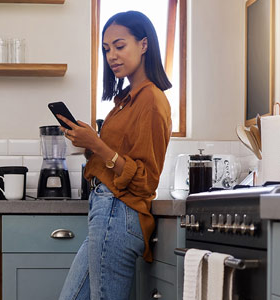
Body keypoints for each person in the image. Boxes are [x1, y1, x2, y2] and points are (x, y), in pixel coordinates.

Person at [56, 10, 172, 300]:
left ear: (143, 45)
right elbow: (116, 159)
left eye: (120, 46)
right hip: (105, 212)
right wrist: (89, 142)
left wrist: (96, 144)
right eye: (107, 49)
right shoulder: (125, 101)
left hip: (118, 213)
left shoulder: (151, 100)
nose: (112, 56)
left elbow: (146, 181)